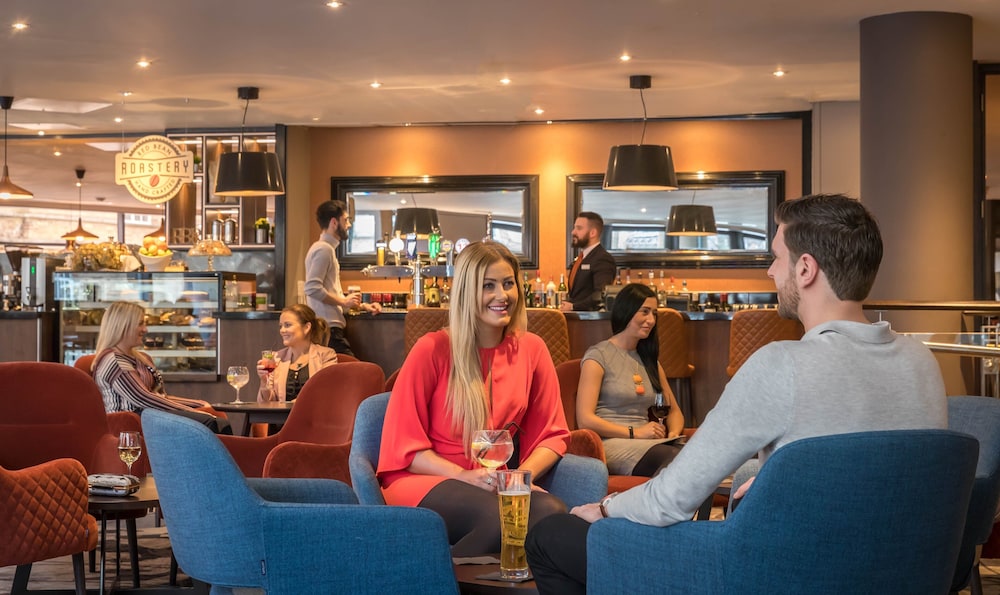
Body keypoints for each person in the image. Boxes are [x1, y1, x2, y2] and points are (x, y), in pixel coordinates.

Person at [525, 194, 948, 594]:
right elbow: (877, 471)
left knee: (552, 534)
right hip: (898, 573)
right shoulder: (922, 363)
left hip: (774, 576)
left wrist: (602, 509)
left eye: (776, 258)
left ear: (806, 269)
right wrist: (779, 482)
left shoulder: (781, 364)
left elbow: (671, 500)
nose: (770, 272)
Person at [377, 240, 571, 556]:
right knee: (497, 518)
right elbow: (404, 448)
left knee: (552, 512)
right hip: (427, 477)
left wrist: (519, 478)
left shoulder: (532, 349)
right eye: (488, 286)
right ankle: (429, 578)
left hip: (494, 480)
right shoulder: (432, 349)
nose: (502, 295)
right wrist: (463, 475)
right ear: (467, 292)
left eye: (508, 283)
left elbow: (552, 434)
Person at [576, 283, 685, 477]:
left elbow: (674, 411)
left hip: (647, 443)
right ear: (626, 311)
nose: (651, 320)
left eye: (654, 314)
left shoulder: (649, 360)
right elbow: (585, 420)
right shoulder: (598, 355)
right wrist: (635, 432)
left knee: (692, 455)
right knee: (674, 459)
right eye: (645, 312)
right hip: (610, 443)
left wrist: (673, 435)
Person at [92, 301, 232, 434]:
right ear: (122, 326)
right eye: (140, 324)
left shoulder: (139, 357)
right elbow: (143, 398)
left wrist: (198, 404)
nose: (145, 329)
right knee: (211, 423)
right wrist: (192, 411)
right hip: (131, 428)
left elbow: (158, 396)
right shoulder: (114, 361)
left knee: (216, 420)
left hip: (150, 418)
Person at [304, 200, 381, 356]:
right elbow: (312, 288)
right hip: (328, 330)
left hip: (328, 329)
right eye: (345, 220)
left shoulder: (325, 249)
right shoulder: (324, 249)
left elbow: (330, 293)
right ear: (334, 222)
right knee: (354, 369)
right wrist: (344, 301)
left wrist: (362, 306)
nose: (349, 225)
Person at [255, 304, 338, 402]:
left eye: (287, 325)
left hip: (314, 411)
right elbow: (266, 403)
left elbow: (327, 391)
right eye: (281, 326)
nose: (282, 330)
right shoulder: (276, 358)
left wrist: (299, 403)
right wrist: (264, 381)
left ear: (306, 327)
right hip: (285, 413)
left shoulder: (326, 355)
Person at [559, 212, 616, 312]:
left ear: (592, 233)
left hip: (589, 319)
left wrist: (574, 306)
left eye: (579, 228)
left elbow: (600, 294)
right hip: (577, 317)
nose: (573, 232)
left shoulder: (602, 258)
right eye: (574, 228)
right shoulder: (582, 258)